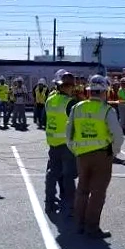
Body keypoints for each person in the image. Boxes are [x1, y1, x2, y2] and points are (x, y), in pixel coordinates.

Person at [67, 75, 123, 239]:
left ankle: (79, 225)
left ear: (90, 91)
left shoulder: (77, 108)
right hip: (102, 155)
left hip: (82, 155)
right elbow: (118, 135)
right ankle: (92, 227)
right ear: (105, 92)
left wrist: (75, 149)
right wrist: (114, 152)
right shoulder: (107, 110)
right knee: (97, 193)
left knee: (82, 190)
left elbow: (68, 133)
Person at [42, 71, 79, 215]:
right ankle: (71, 206)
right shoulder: (70, 103)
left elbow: (45, 119)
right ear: (64, 86)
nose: (71, 88)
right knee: (69, 176)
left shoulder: (50, 99)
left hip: (53, 142)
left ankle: (49, 202)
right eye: (70, 85)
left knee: (52, 173)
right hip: (67, 144)